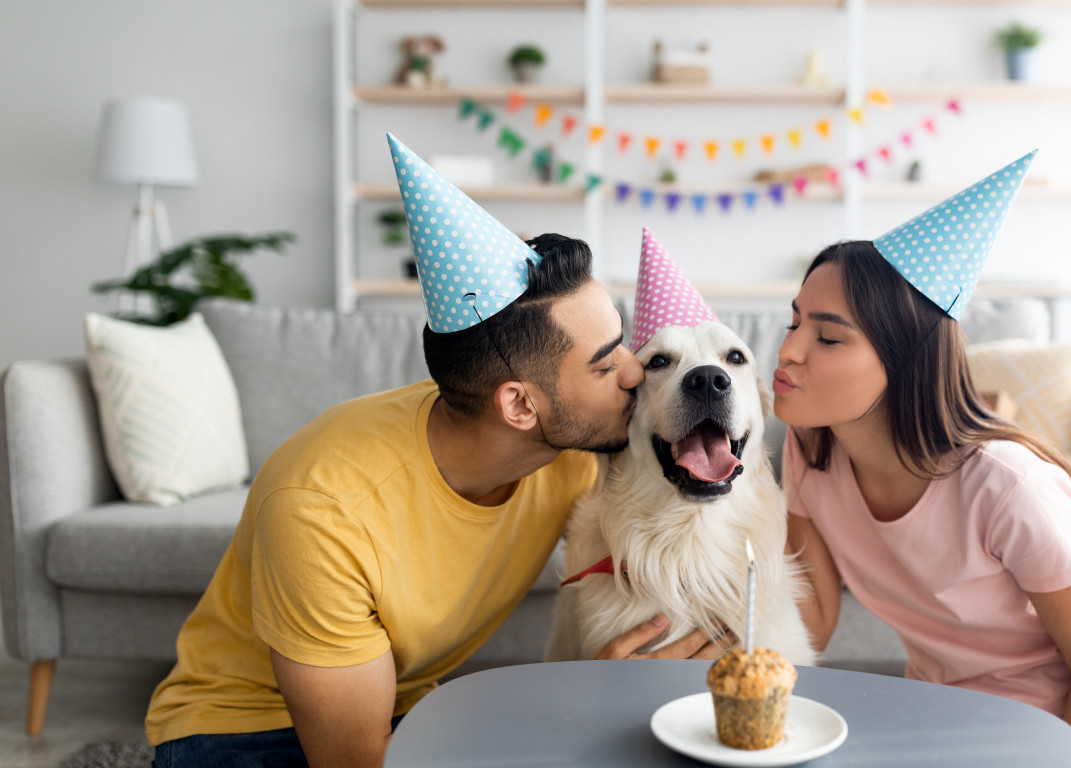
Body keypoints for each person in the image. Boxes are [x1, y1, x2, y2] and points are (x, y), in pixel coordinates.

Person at [146, 138, 728, 768]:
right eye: (604, 361)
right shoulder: (323, 509)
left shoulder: (579, 441)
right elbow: (356, 762)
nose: (633, 374)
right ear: (520, 407)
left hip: (408, 705)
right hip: (239, 729)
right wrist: (583, 705)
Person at [775, 153, 1071, 768]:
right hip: (950, 721)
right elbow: (813, 617)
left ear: (903, 360)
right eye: (794, 322)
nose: (789, 350)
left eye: (826, 336)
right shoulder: (809, 450)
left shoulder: (1007, 486)